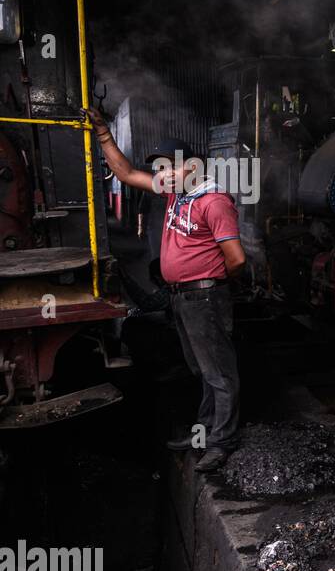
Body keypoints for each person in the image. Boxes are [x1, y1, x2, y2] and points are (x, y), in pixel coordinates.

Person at [84, 107, 245, 472]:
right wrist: (104, 135)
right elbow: (125, 173)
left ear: (191, 167)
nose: (162, 175)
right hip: (184, 297)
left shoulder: (213, 200)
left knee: (219, 372)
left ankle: (222, 441)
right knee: (202, 370)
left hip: (203, 296)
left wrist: (211, 285)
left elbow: (235, 259)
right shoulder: (177, 195)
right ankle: (205, 432)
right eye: (160, 169)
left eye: (169, 167)